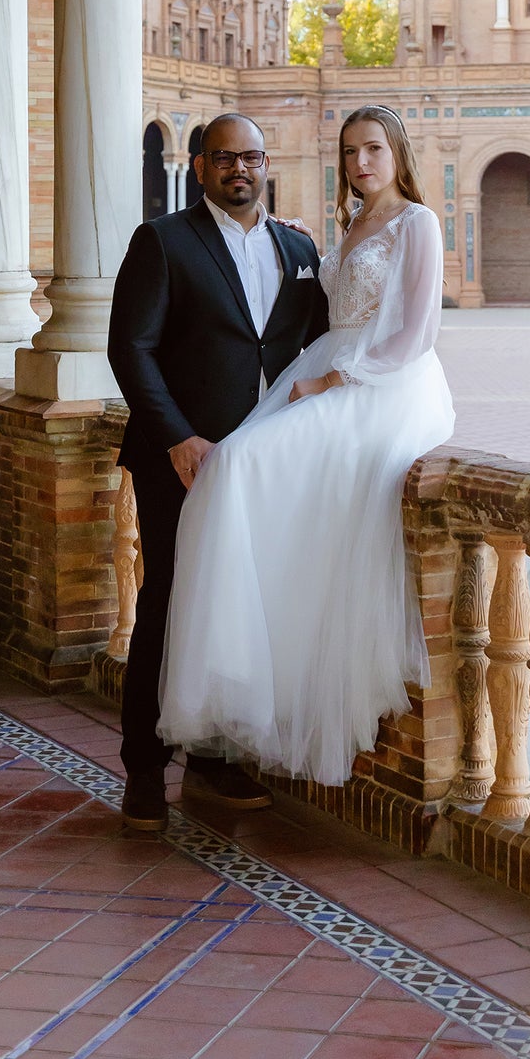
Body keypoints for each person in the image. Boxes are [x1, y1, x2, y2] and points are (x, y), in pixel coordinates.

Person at [158, 106, 453, 790]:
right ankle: (237, 679)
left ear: (396, 153)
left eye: (373, 149)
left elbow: (416, 333)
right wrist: (308, 252)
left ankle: (241, 682)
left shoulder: (418, 223)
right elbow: (329, 302)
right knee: (238, 474)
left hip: (378, 382)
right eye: (349, 152)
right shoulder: (349, 226)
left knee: (234, 464)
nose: (360, 163)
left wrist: (331, 380)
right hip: (325, 369)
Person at [107, 113, 328, 830]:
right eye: (224, 157)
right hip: (185, 464)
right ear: (199, 166)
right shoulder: (163, 241)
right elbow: (130, 349)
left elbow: (316, 349)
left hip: (265, 467)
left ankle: (212, 757)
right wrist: (175, 437)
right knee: (169, 600)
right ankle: (143, 768)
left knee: (241, 608)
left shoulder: (297, 248)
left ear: (267, 165)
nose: (240, 169)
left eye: (252, 157)